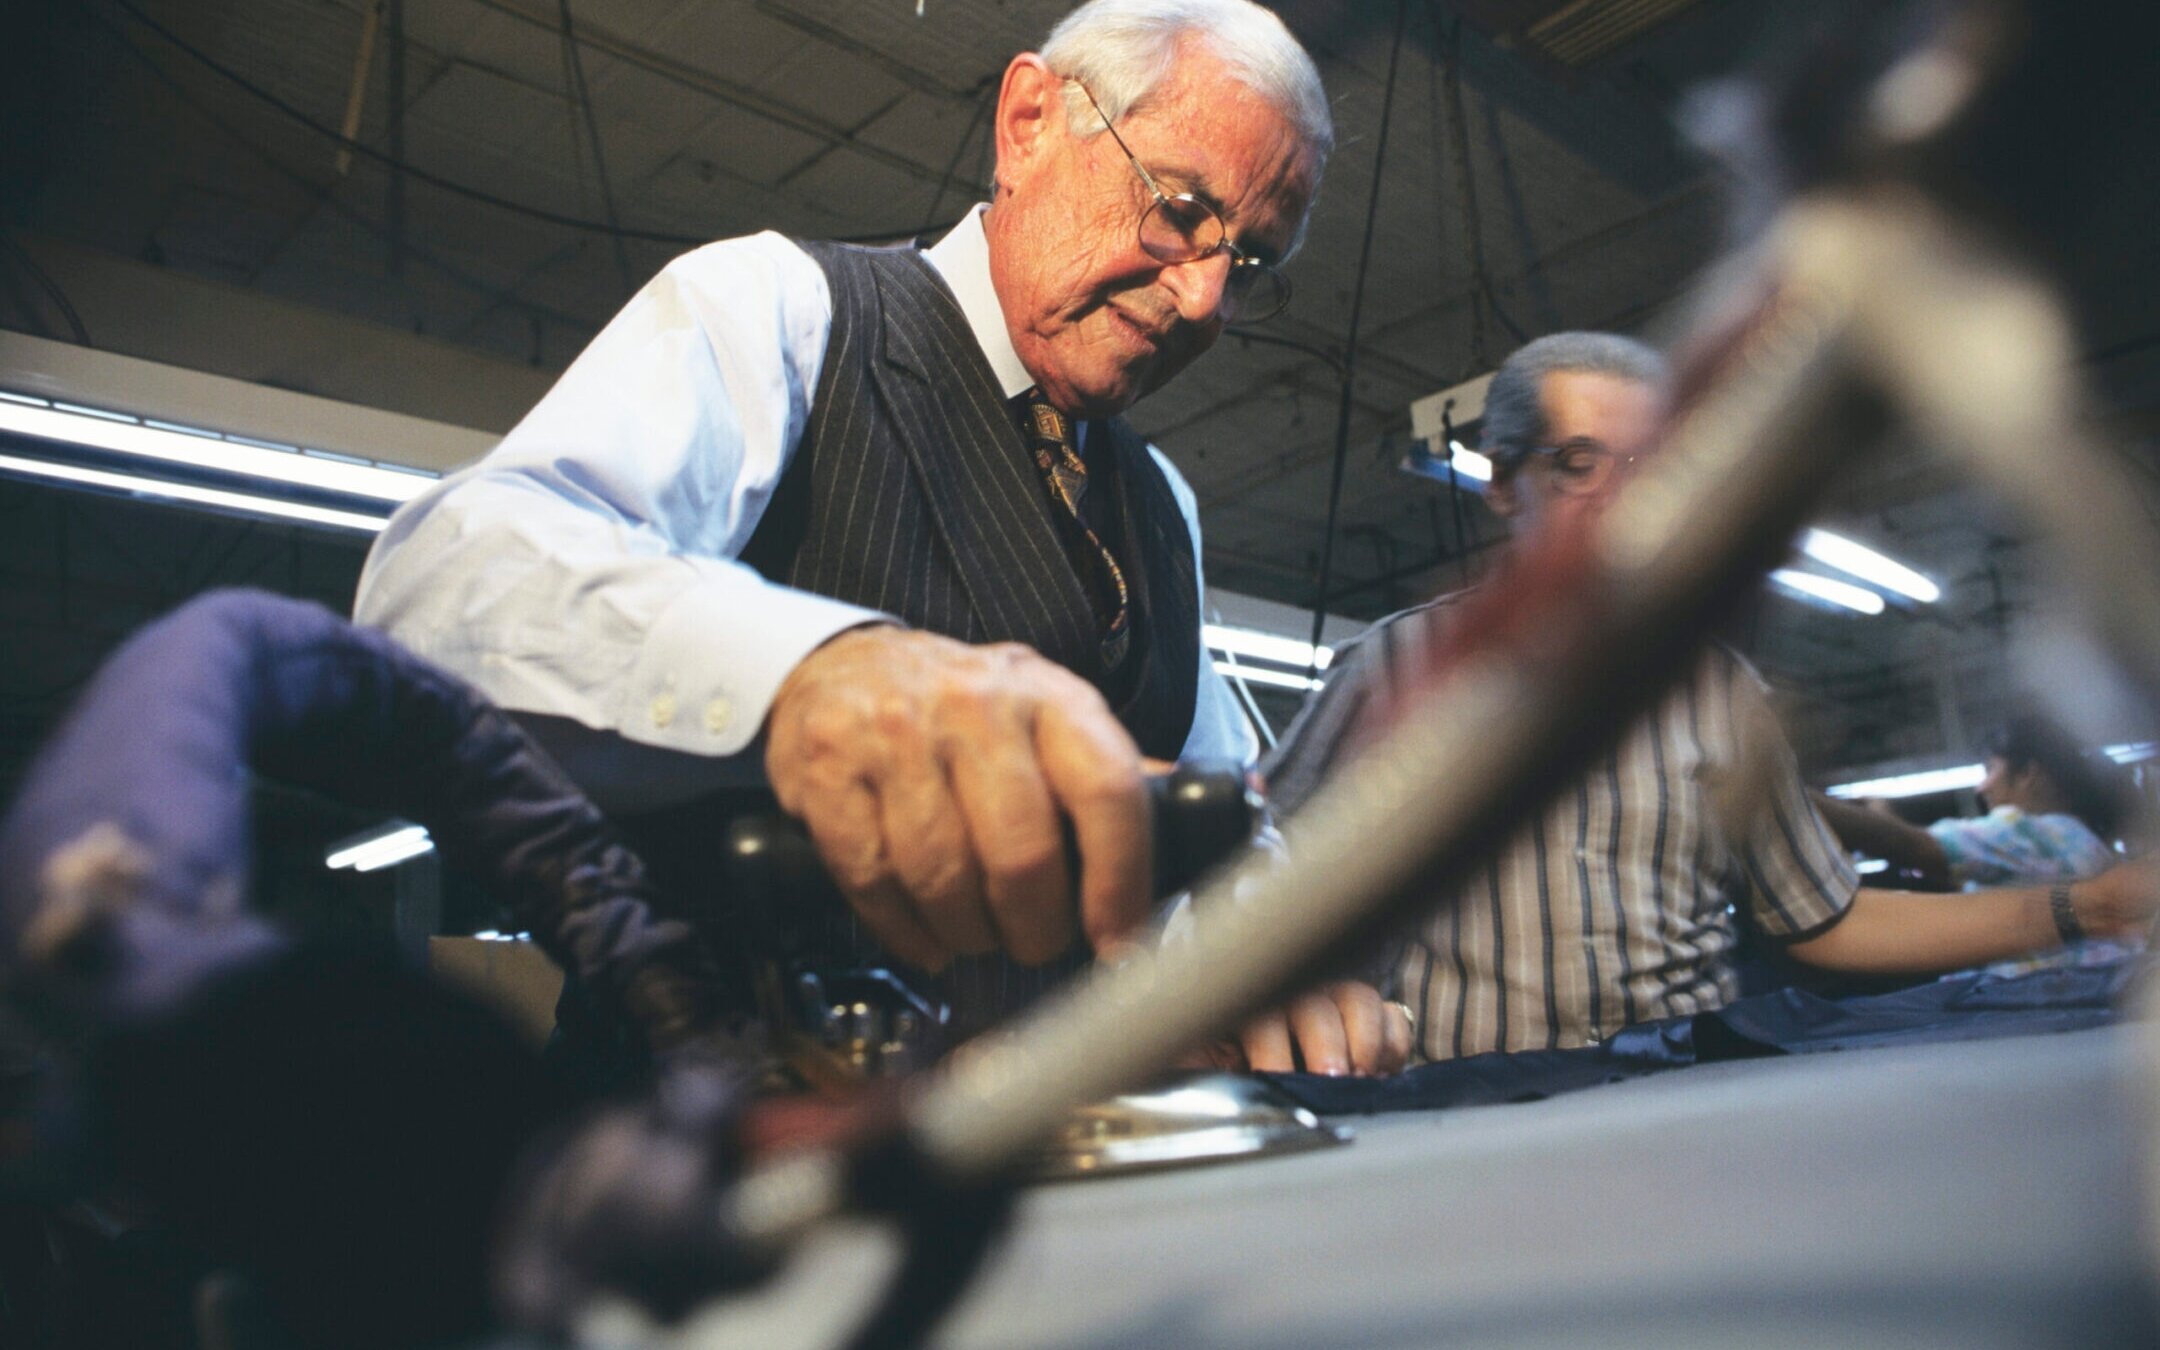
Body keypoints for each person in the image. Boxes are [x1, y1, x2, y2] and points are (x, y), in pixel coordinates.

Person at [354, 0, 1404, 1074]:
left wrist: (1274, 955)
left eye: (1252, 262)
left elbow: (1204, 816)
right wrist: (807, 676)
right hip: (720, 1171)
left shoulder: (1161, 501)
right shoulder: (784, 309)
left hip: (1041, 1189)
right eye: (1180, 208)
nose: (1205, 297)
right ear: (1032, 119)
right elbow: (440, 588)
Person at [1262, 331, 2159, 1067]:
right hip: (1468, 1116)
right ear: (1501, 482)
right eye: (1579, 462)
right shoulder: (1393, 670)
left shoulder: (1724, 694)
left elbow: (1828, 918)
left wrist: (2086, 908)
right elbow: (1245, 886)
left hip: (1684, 1092)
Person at [1812, 711, 2124, 891]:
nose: (1982, 787)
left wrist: (1787, 795)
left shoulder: (2030, 834)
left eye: (1991, 770)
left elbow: (1913, 847)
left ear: (2028, 772)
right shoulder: (2091, 846)